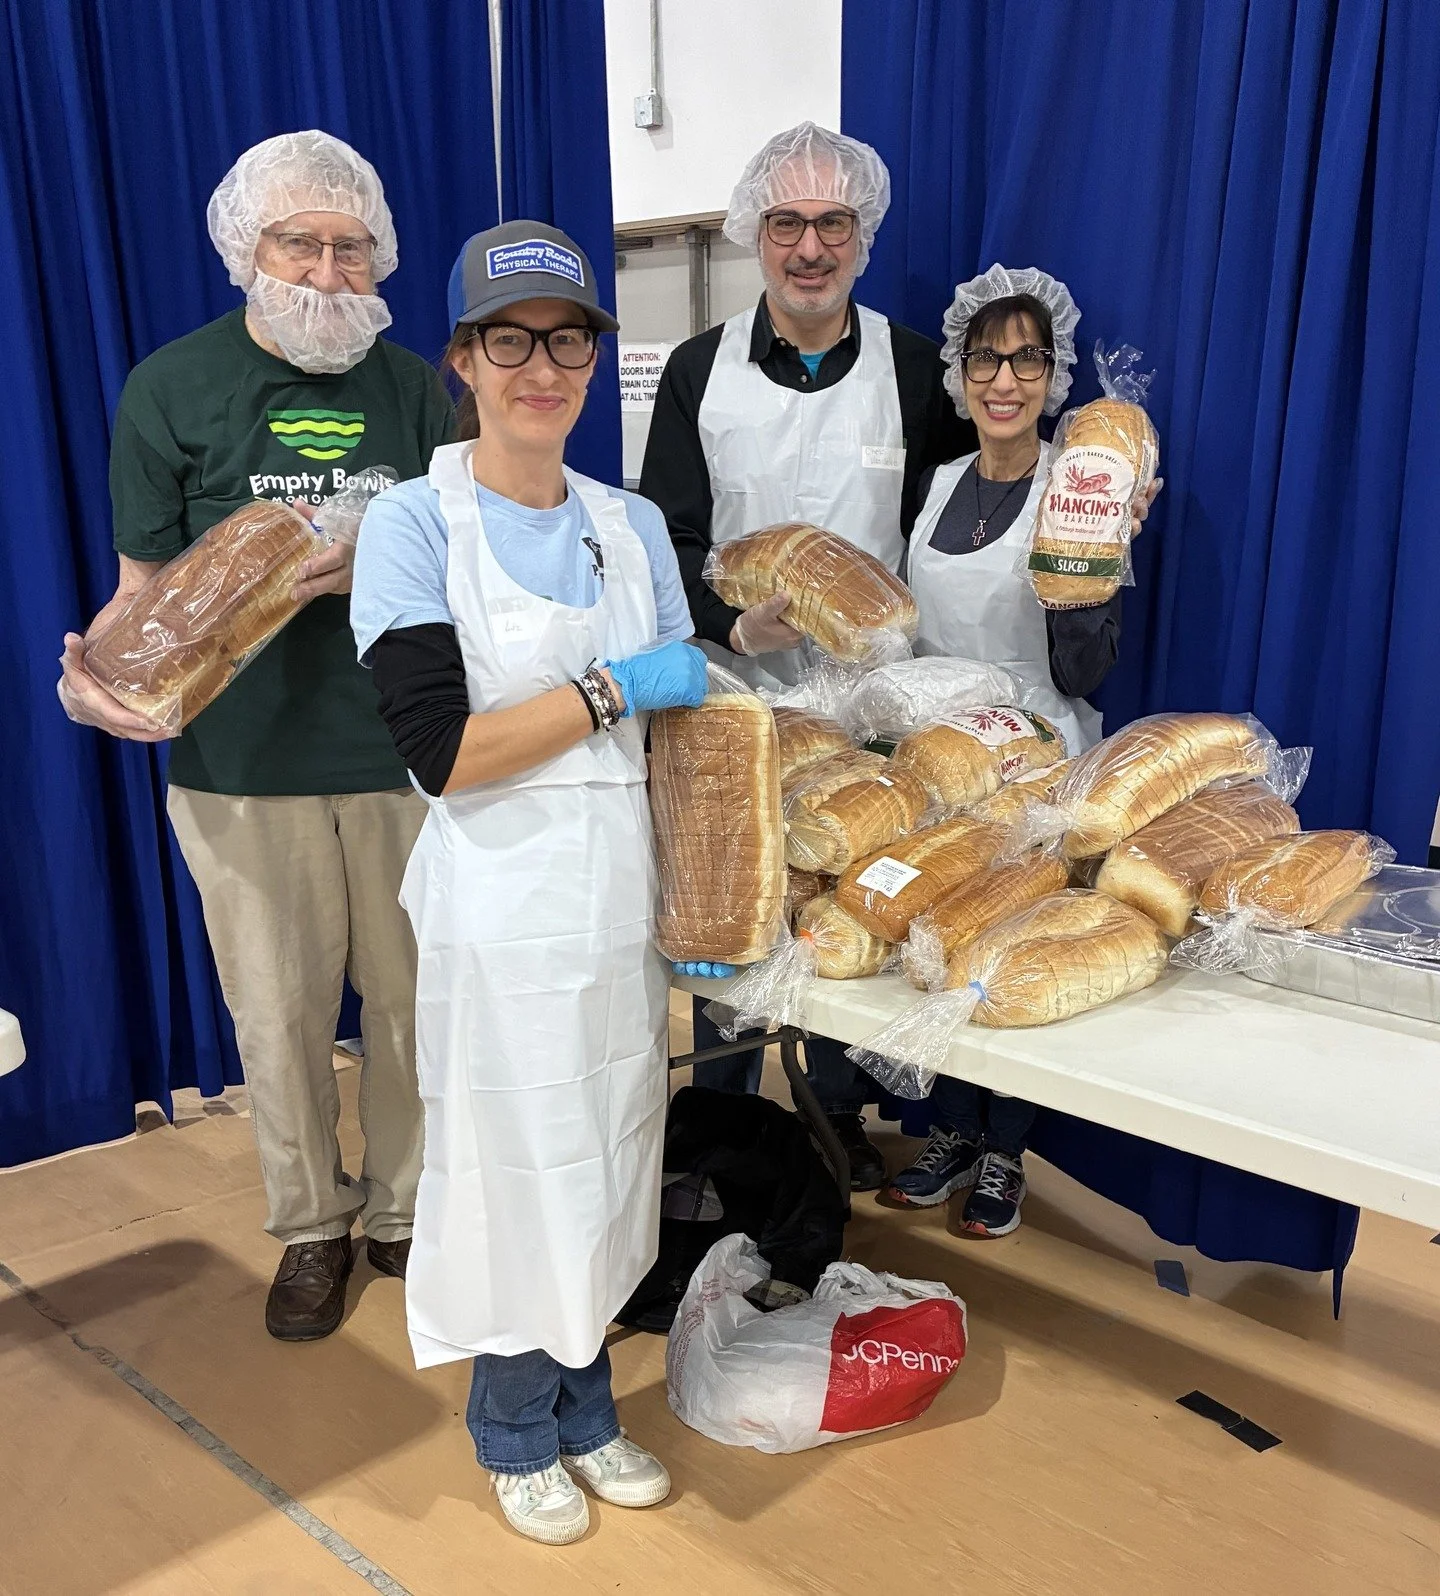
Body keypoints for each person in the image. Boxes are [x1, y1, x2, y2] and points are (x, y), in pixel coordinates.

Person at [57, 132, 452, 1338]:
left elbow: (458, 566)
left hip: (399, 752)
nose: (331, 270)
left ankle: (402, 1214)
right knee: (275, 1018)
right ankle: (309, 1227)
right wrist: (97, 678)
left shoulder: (415, 388)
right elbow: (140, 590)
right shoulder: (171, 387)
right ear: (246, 251)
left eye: (351, 247)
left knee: (409, 1003)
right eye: (302, 243)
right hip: (240, 767)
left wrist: (374, 568)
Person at [349, 220, 706, 1546]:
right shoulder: (411, 524)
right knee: (517, 1161)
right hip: (500, 908)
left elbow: (686, 741)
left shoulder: (631, 525)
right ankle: (515, 1425)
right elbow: (447, 754)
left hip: (619, 899)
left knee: (613, 1153)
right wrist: (612, 684)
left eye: (566, 341)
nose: (541, 368)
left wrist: (708, 905)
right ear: (463, 359)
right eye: (512, 341)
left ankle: (588, 1403)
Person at [642, 122, 976, 1189]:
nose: (810, 247)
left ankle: (835, 1133)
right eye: (786, 222)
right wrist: (736, 624)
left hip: (872, 716)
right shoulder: (700, 370)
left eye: (834, 223)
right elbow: (668, 539)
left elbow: (962, 523)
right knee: (728, 928)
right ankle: (723, 1138)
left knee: (846, 909)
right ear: (756, 237)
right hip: (732, 701)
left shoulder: (919, 369)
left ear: (863, 238)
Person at [883, 264, 1160, 1234]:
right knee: (940, 942)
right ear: (959, 370)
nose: (1006, 379)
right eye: (987, 357)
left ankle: (1004, 1152)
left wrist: (1099, 561)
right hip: (946, 764)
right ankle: (952, 1128)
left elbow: (1085, 672)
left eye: (1027, 359)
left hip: (1043, 765)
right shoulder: (939, 482)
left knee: (1009, 954)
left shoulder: (1076, 488)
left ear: (1055, 374)